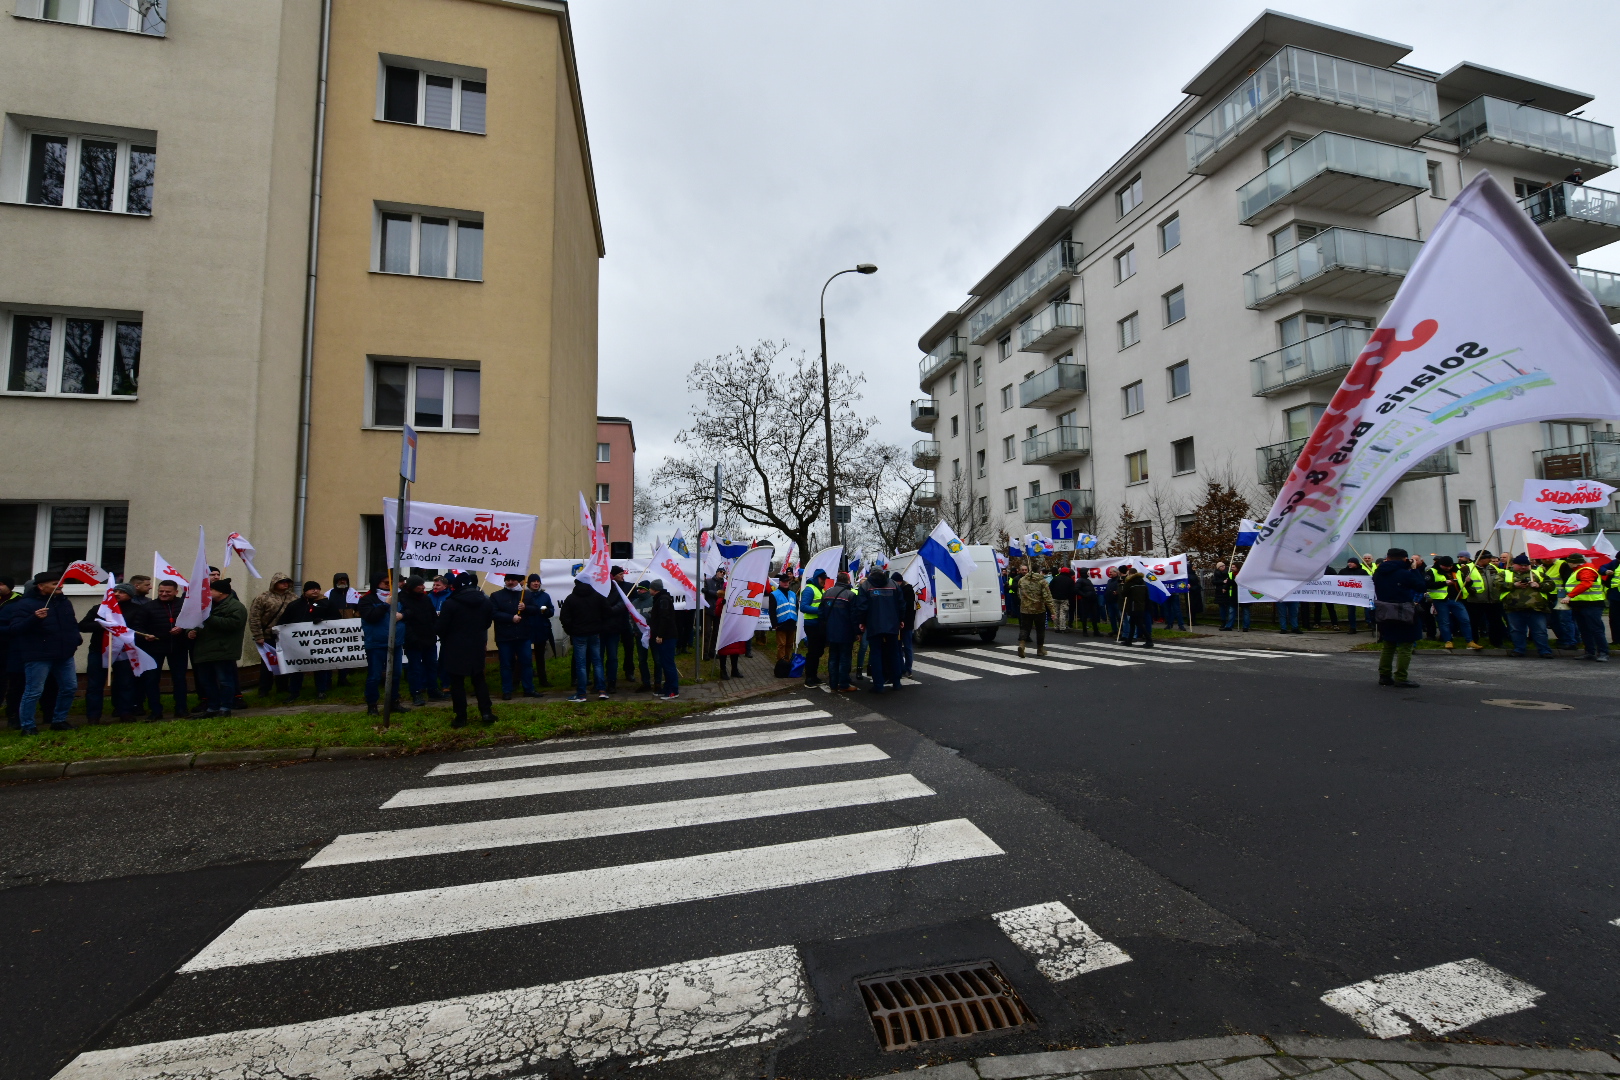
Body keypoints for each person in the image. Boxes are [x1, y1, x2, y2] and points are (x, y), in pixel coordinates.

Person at [12, 572, 82, 734]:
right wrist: (34, 618)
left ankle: (59, 720)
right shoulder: (25, 605)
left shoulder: (64, 602)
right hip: (38, 655)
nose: (60, 586)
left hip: (64, 654)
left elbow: (71, 624)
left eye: (60, 583)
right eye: (54, 584)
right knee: (34, 690)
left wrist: (75, 640)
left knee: (69, 687)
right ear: (41, 586)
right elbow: (16, 629)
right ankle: (28, 726)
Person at [437, 571, 497, 726]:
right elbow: (487, 623)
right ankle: (486, 712)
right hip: (476, 645)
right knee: (479, 679)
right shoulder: (485, 602)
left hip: (454, 647)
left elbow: (441, 627)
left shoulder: (450, 603)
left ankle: (461, 717)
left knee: (457, 683)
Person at [80, 582, 142, 724]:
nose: (117, 594)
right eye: (115, 591)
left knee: (125, 683)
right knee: (95, 684)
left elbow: (139, 628)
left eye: (122, 592)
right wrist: (102, 625)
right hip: (99, 650)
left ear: (130, 595)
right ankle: (93, 716)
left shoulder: (136, 610)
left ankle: (125, 712)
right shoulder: (100, 609)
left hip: (124, 652)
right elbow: (82, 625)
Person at [132, 578, 190, 719]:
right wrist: (145, 636)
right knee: (152, 680)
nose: (164, 594)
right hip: (154, 648)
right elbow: (137, 627)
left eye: (167, 592)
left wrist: (182, 628)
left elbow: (193, 621)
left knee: (180, 679)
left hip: (178, 647)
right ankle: (155, 711)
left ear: (176, 592)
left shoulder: (184, 605)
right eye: (161, 591)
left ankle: (181, 709)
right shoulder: (148, 607)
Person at [190, 578, 247, 717]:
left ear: (221, 592)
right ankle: (212, 707)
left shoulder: (236, 607)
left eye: (211, 590)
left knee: (224, 680)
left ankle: (225, 707)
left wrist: (208, 617)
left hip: (223, 650)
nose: (208, 593)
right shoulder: (208, 606)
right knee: (206, 681)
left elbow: (232, 624)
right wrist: (191, 631)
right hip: (204, 650)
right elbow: (195, 621)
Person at [1372, 549, 1429, 687]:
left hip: (1385, 611)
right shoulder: (1404, 574)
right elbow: (1421, 586)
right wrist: (1414, 569)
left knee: (1388, 643)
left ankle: (1384, 675)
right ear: (1404, 559)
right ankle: (1401, 677)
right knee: (1406, 644)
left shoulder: (1378, 573)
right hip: (1404, 611)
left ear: (1387, 558)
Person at [356, 571, 409, 716]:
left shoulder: (398, 597)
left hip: (395, 643)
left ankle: (394, 702)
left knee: (396, 674)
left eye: (391, 583)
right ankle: (372, 705)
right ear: (376, 584)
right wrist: (385, 605)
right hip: (376, 643)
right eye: (386, 583)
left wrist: (403, 615)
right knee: (375, 675)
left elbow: (410, 610)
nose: (389, 586)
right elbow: (371, 617)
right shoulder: (367, 600)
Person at [276, 581, 337, 702]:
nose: (315, 591)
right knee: (297, 667)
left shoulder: (326, 604)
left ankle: (321, 690)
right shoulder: (295, 605)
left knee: (320, 666)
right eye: (311, 589)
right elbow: (283, 622)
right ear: (305, 591)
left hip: (319, 642)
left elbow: (336, 620)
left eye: (317, 588)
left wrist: (324, 621)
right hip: (299, 643)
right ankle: (294, 692)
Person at [248, 573, 298, 699]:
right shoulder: (263, 598)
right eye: (282, 581)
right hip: (268, 636)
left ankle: (282, 687)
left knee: (284, 663)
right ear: (275, 583)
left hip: (286, 636)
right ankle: (264, 689)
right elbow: (254, 617)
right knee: (268, 665)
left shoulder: (293, 597)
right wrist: (258, 635)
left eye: (287, 581)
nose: (285, 583)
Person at [490, 573, 539, 700]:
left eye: (513, 580)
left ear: (518, 581)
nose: (510, 582)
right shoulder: (496, 596)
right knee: (506, 664)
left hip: (523, 635)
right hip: (505, 636)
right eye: (508, 580)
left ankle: (528, 689)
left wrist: (525, 607)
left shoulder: (526, 594)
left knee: (527, 663)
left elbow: (535, 609)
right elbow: (493, 613)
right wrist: (510, 618)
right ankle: (507, 690)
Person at [561, 577, 610, 701]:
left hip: (579, 634)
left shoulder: (571, 598)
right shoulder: (598, 596)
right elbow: (608, 612)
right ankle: (602, 690)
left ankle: (581, 694)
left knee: (581, 664)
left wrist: (571, 631)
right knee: (597, 662)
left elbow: (564, 617)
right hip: (595, 633)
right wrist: (600, 628)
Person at [855, 569, 902, 692]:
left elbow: (862, 607)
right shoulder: (894, 584)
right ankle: (896, 682)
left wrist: (862, 622)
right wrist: (901, 619)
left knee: (875, 654)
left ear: (870, 574)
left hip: (874, 624)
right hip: (892, 624)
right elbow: (901, 603)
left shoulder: (865, 586)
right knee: (894, 653)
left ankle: (878, 685)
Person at [1501, 553, 1556, 658]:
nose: (1523, 567)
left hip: (1537, 608)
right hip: (1514, 607)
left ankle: (1544, 651)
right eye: (1520, 565)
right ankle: (1519, 649)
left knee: (1540, 631)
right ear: (1513, 564)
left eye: (1525, 565)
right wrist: (1513, 585)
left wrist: (1539, 585)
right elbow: (1497, 585)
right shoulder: (1505, 574)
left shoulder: (1537, 573)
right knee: (1517, 631)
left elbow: (1551, 585)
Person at [399, 576, 445, 702]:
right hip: (413, 641)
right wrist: (412, 638)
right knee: (415, 668)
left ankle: (432, 689)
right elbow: (404, 622)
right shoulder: (402, 599)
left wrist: (436, 630)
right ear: (413, 586)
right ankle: (416, 692)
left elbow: (433, 616)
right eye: (420, 585)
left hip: (429, 638)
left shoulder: (425, 598)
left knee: (432, 665)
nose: (423, 587)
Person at [1563, 553, 1610, 661]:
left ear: (1572, 562)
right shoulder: (1581, 570)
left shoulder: (1586, 570)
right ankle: (1590, 652)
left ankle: (1603, 652)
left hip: (1591, 604)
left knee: (1595, 629)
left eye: (1569, 562)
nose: (1568, 564)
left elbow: (1586, 584)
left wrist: (1570, 596)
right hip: (1581, 604)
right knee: (1585, 629)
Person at [1426, 556, 1479, 650]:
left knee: (1465, 620)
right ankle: (1448, 641)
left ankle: (1470, 641)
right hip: (1441, 600)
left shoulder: (1457, 570)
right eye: (1445, 566)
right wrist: (1444, 583)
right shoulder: (1432, 571)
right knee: (1444, 622)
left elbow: (1463, 583)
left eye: (1450, 566)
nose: (1448, 568)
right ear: (1440, 564)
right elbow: (1427, 585)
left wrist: (1469, 582)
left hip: (1456, 599)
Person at [820, 570, 860, 692]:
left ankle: (833, 685)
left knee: (833, 657)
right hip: (846, 632)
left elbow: (821, 613)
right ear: (848, 581)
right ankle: (843, 684)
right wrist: (857, 632)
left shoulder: (826, 593)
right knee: (844, 658)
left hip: (831, 631)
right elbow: (854, 616)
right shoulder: (850, 595)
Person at [1015, 560, 1057, 658]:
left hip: (1025, 608)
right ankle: (1040, 649)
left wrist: (1024, 601)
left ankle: (1022, 644)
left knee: (1025, 628)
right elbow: (1048, 597)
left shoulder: (1022, 580)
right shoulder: (1042, 581)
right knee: (1040, 629)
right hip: (1039, 609)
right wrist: (1052, 611)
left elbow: (1019, 593)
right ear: (1039, 571)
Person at [601, 566, 632, 694]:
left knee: (613, 657)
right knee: (598, 658)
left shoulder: (619, 590)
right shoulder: (599, 591)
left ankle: (612, 682)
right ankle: (600, 682)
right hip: (600, 630)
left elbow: (622, 604)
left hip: (614, 629)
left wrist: (610, 610)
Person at [646, 578, 680, 698]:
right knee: (665, 663)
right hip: (666, 636)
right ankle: (667, 688)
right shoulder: (661, 599)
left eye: (650, 588)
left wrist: (660, 635)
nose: (649, 590)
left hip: (667, 637)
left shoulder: (663, 600)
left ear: (654, 589)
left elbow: (664, 618)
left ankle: (673, 690)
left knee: (668, 663)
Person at [525, 573, 556, 687]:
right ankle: (523, 680)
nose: (536, 583)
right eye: (534, 581)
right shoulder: (524, 595)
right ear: (529, 583)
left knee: (540, 657)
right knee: (525, 657)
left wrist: (547, 611)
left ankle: (543, 680)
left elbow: (551, 611)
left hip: (541, 628)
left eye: (538, 581)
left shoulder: (545, 596)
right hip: (527, 629)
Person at [1472, 551, 1508, 648]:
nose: (1490, 560)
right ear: (1481, 559)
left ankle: (1497, 642)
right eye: (1489, 558)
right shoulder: (1469, 568)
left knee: (1496, 622)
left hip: (1493, 600)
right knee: (1474, 622)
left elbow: (1502, 576)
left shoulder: (1493, 568)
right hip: (1476, 600)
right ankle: (1473, 641)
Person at [799, 568, 828, 687]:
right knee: (813, 651)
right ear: (816, 578)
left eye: (825, 579)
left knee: (818, 651)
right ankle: (809, 678)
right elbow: (803, 607)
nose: (824, 581)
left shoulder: (820, 590)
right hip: (811, 624)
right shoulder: (809, 589)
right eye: (822, 578)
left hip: (819, 624)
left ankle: (814, 676)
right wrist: (820, 611)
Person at [767, 571, 799, 677]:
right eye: (784, 581)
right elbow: (772, 611)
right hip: (781, 623)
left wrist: (797, 621)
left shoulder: (793, 594)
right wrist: (774, 624)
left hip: (791, 622)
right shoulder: (774, 594)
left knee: (789, 645)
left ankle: (787, 663)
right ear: (780, 582)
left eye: (787, 581)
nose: (786, 583)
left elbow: (796, 608)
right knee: (781, 645)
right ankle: (781, 664)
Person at [1120, 562, 1153, 647]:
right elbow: (1147, 595)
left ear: (1130, 574)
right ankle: (1129, 641)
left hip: (1133, 606)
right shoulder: (1143, 583)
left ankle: (1149, 641)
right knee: (1133, 623)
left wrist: (1123, 586)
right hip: (1141, 605)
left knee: (1138, 624)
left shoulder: (1130, 583)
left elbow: (1124, 594)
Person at [894, 568, 916, 677]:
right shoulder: (897, 589)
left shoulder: (908, 590)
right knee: (898, 647)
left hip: (906, 623)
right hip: (898, 623)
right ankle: (901, 668)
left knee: (907, 646)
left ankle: (908, 668)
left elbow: (907, 606)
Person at [1074, 570, 1103, 635]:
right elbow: (1076, 589)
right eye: (1087, 572)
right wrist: (1084, 595)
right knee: (1085, 615)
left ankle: (1096, 630)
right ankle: (1085, 631)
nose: (1088, 573)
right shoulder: (1080, 581)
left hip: (1092, 599)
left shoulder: (1088, 580)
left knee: (1094, 615)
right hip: (1085, 600)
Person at [1049, 567, 1075, 632]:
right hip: (1064, 599)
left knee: (1056, 613)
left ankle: (1056, 627)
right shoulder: (1070, 580)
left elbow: (1050, 587)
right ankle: (1062, 627)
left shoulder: (1055, 578)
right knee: (1063, 613)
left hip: (1055, 598)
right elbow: (1072, 591)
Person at [1102, 566, 1124, 635]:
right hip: (1110, 601)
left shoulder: (1119, 580)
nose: (1109, 573)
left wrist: (1117, 592)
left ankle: (1121, 630)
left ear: (1116, 572)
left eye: (1111, 572)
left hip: (1116, 601)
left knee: (1119, 617)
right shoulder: (1109, 580)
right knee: (1112, 617)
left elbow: (1121, 588)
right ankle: (1114, 630)